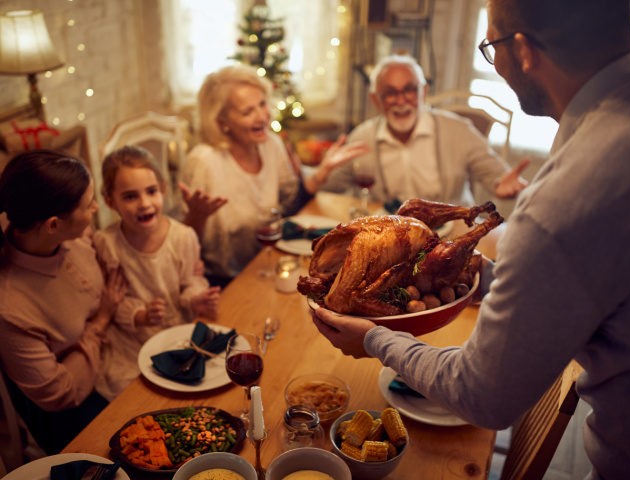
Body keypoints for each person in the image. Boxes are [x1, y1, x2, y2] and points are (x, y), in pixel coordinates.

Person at [312, 1, 630, 478]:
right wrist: (493, 279)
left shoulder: (563, 200)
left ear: (523, 50)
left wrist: (377, 340)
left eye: (491, 46)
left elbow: (481, 394)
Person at [180, 64, 368, 286]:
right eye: (248, 111)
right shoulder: (203, 161)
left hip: (267, 264)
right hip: (221, 281)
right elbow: (183, 244)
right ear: (223, 123)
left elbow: (289, 207)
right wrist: (197, 215)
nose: (262, 116)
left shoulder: (271, 144)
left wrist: (321, 173)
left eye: (262, 104)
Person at [0, 150, 125, 454]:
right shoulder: (11, 307)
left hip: (117, 349)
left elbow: (97, 244)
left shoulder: (71, 234)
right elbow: (59, 393)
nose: (96, 208)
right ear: (53, 225)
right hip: (76, 407)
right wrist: (101, 321)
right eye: (88, 204)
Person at [94, 145, 220, 400]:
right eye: (130, 196)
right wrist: (139, 315)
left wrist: (195, 298)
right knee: (137, 397)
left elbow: (191, 281)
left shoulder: (183, 237)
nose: (144, 204)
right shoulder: (106, 244)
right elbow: (109, 298)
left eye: (151, 192)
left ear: (163, 189)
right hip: (133, 342)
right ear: (110, 201)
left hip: (178, 334)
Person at [322, 54, 529, 207]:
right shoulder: (361, 137)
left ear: (423, 92)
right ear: (376, 100)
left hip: (451, 235)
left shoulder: (459, 130)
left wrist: (505, 186)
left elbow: (496, 176)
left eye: (409, 90)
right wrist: (321, 172)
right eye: (390, 93)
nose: (401, 101)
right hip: (393, 237)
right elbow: (329, 186)